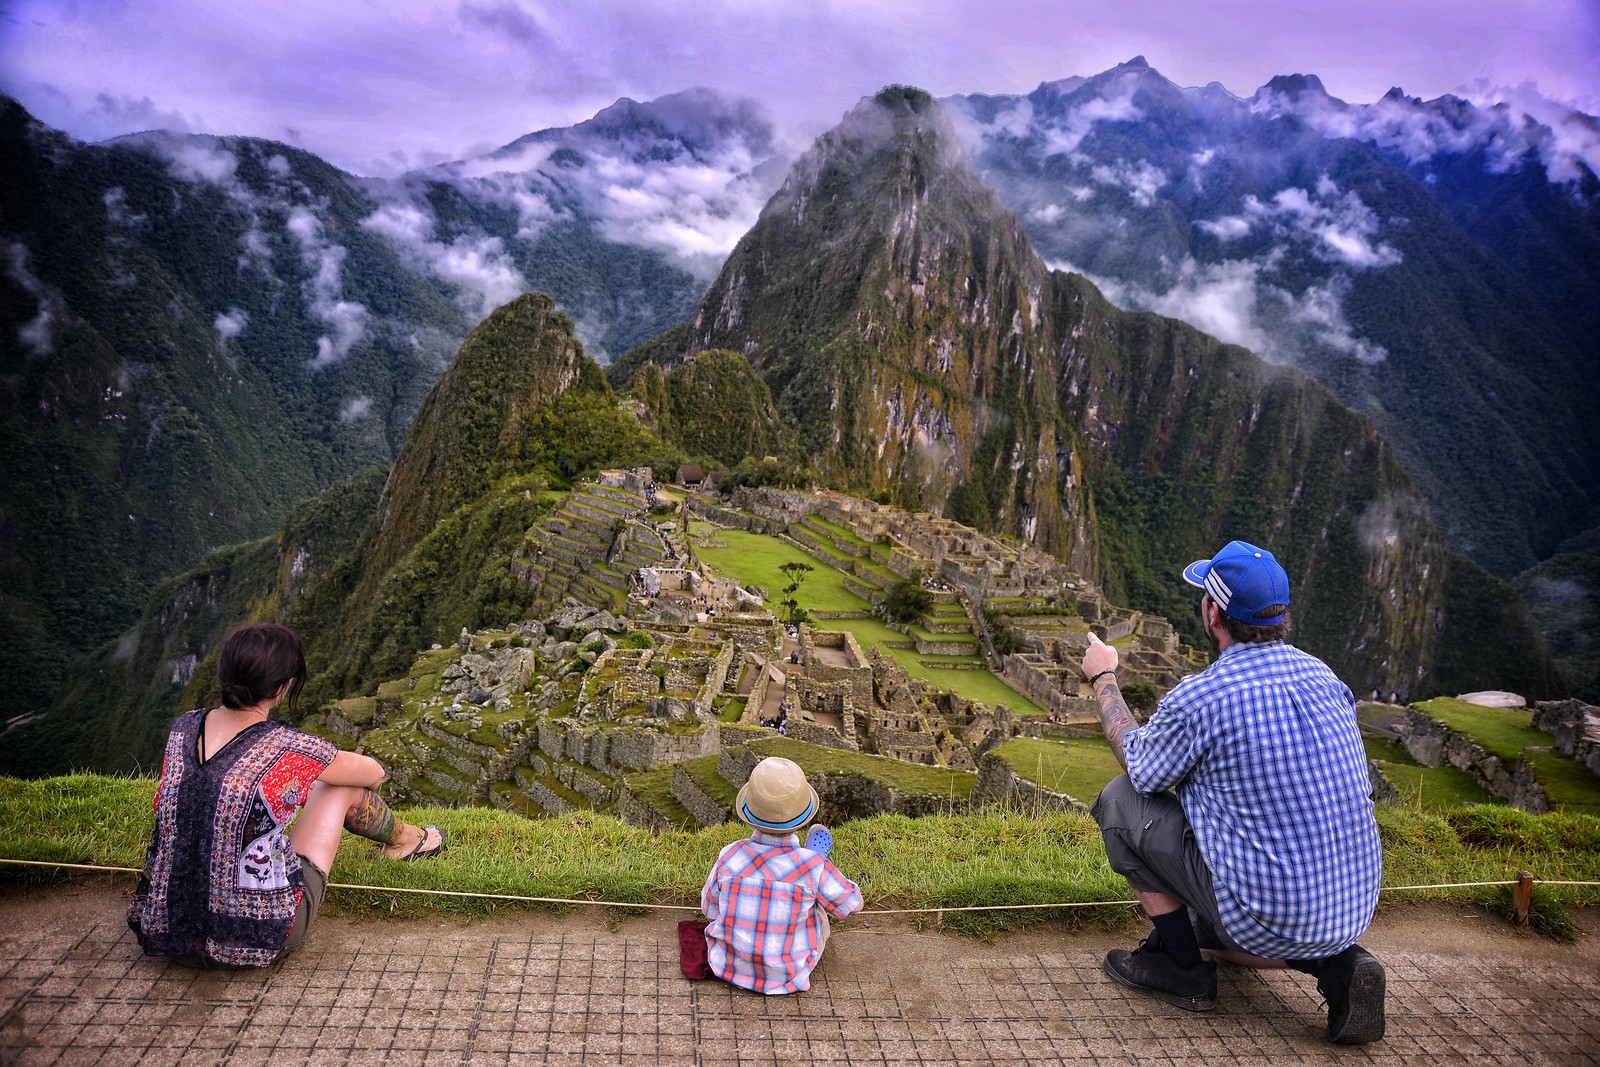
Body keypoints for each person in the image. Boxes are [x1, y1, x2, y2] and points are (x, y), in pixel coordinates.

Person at [1078, 540, 1385, 1044]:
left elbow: (1140, 766)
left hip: (1267, 911)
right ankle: (1341, 967)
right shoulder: (1325, 677)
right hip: (1352, 905)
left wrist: (1104, 676)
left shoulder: (1206, 697)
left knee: (1119, 800)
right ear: (1278, 615)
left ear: (1213, 611)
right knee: (1257, 865)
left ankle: (1182, 969)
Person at [127, 623, 446, 968]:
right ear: (281, 689)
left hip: (164, 924)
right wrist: (307, 775)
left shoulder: (183, 727)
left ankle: (407, 840)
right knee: (342, 787)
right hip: (256, 934)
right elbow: (375, 772)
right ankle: (410, 840)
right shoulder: (289, 748)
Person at [701, 756, 861, 994]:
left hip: (727, 966)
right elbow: (852, 906)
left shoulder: (730, 854)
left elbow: (709, 909)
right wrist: (821, 869)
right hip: (788, 976)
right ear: (803, 815)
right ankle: (819, 863)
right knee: (819, 907)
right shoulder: (813, 866)